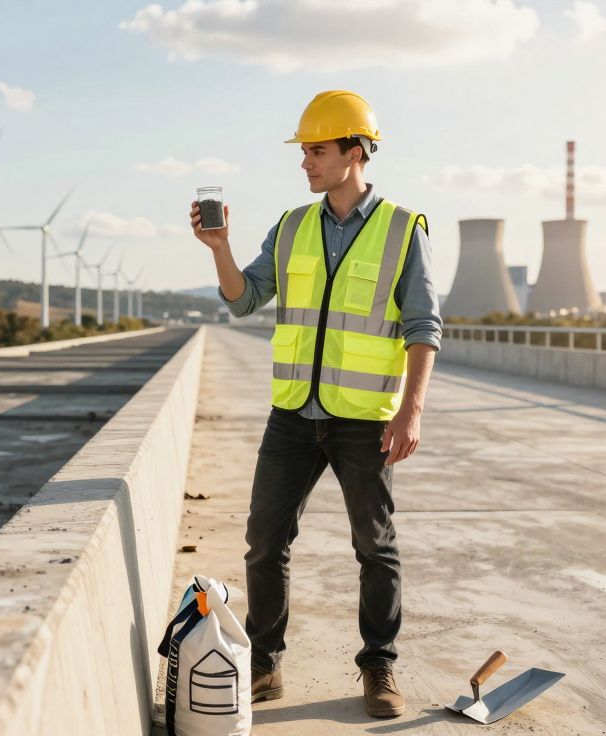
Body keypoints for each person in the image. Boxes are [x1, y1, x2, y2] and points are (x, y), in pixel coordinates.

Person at [189, 90, 442, 719]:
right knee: (264, 540)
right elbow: (244, 300)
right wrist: (219, 248)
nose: (305, 161)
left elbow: (423, 327)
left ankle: (379, 664)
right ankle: (265, 664)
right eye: (303, 151)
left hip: (363, 419)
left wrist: (411, 411)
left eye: (317, 150)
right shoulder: (291, 226)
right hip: (293, 416)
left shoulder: (402, 229)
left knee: (374, 547)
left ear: (355, 153)